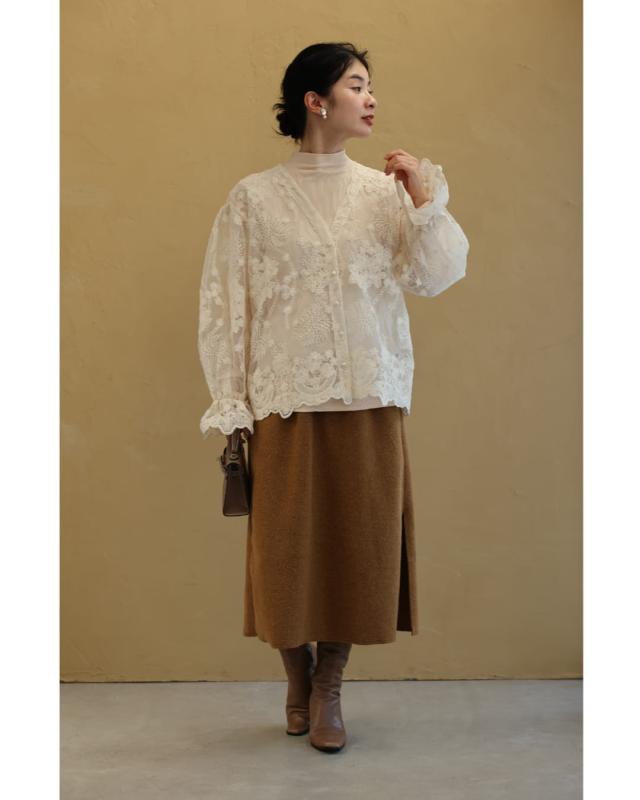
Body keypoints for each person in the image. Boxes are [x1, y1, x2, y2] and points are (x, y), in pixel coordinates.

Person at [197, 42, 470, 753]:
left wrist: (423, 199)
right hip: (286, 400)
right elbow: (226, 306)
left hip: (371, 398)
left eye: (371, 86)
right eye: (356, 86)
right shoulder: (253, 198)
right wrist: (231, 402)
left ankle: (329, 686)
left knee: (360, 549)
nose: (371, 98)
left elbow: (437, 276)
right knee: (284, 555)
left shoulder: (384, 193)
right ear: (316, 101)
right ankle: (296, 674)